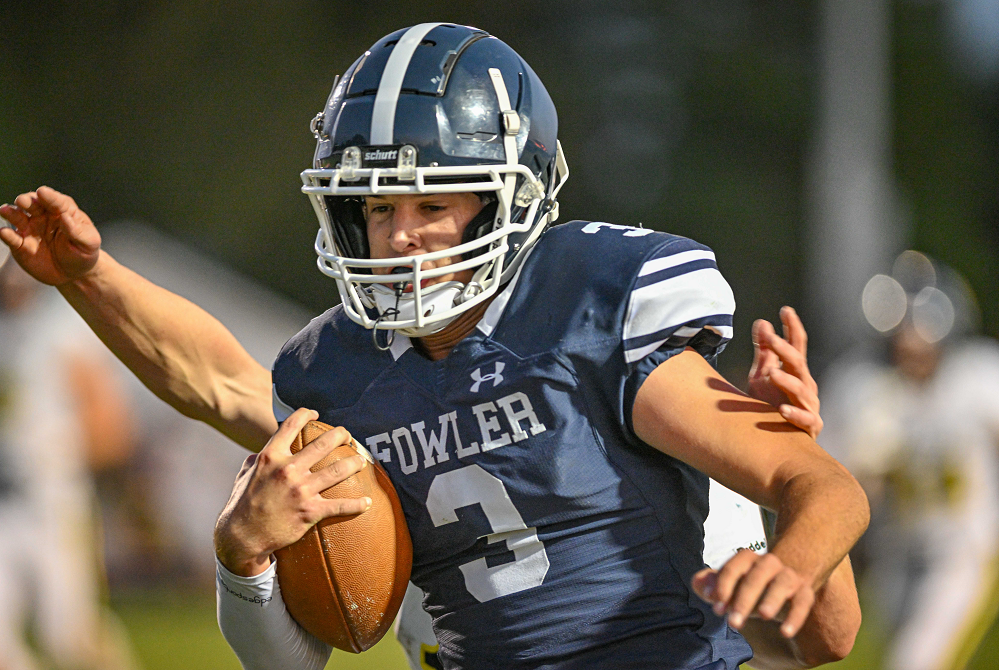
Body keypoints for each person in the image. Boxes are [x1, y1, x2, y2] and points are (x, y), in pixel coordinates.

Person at [0, 23, 867, 670]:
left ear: (505, 202)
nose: (400, 236)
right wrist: (88, 277)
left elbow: (820, 506)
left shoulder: (588, 307)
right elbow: (216, 380)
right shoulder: (339, 372)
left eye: (431, 204)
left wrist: (791, 559)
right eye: (378, 207)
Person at [820, 251, 999, 670]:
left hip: (962, 548)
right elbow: (829, 479)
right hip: (894, 552)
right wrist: (865, 471)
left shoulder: (979, 377)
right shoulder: (863, 386)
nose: (910, 335)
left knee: (915, 661)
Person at [0, 257, 137, 670]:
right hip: (6, 502)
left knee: (70, 635)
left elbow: (111, 428)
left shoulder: (62, 327)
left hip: (53, 499)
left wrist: (61, 467)